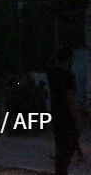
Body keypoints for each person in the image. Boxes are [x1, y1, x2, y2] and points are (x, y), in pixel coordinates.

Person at [48, 46, 81, 174]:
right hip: (67, 118)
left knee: (61, 154)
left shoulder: (52, 74)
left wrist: (57, 54)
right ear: (69, 60)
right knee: (66, 154)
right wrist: (77, 119)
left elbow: (50, 63)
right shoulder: (68, 76)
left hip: (56, 117)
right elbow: (70, 100)